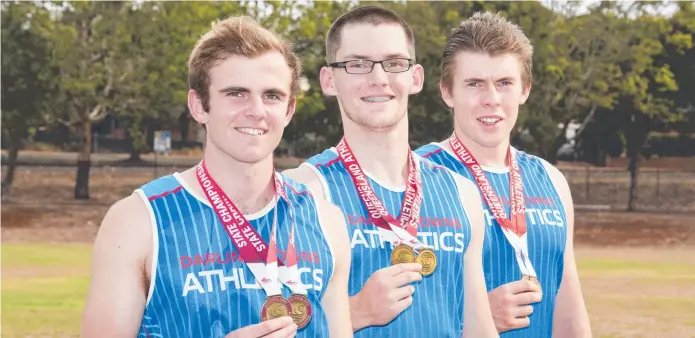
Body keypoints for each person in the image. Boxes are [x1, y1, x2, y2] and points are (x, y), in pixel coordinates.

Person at [81, 16, 353, 338]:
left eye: (272, 96)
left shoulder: (326, 220)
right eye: (236, 93)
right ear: (199, 105)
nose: (256, 110)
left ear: (289, 110)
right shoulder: (137, 221)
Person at [283, 5, 498, 338]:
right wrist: (353, 312)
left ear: (415, 77)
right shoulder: (301, 192)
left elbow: (479, 329)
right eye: (357, 64)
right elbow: (278, 324)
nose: (378, 78)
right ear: (328, 80)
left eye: (394, 63)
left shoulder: (462, 192)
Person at [415, 12, 592, 337]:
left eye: (504, 83)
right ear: (447, 92)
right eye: (474, 84)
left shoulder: (551, 180)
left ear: (524, 89)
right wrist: (472, 318)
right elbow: (395, 316)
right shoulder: (415, 178)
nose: (491, 99)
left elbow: (569, 304)